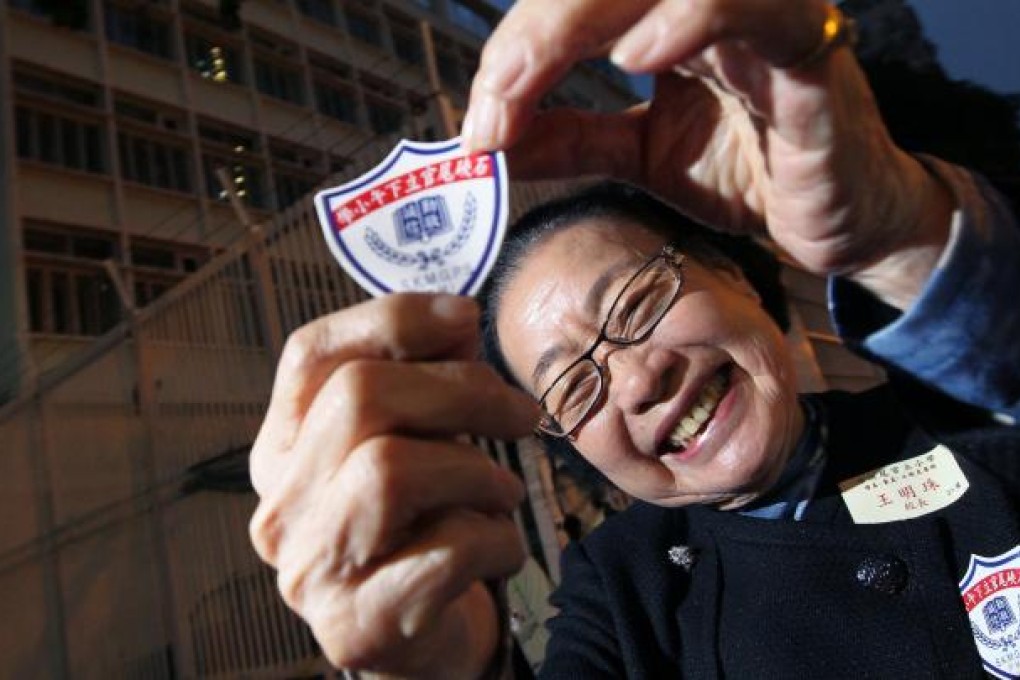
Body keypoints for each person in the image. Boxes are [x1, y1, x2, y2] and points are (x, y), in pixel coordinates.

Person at [247, 1, 1020, 677]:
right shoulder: (620, 587)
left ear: (740, 279)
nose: (637, 382)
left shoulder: (961, 414)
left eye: (637, 302)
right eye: (574, 389)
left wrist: (898, 237)